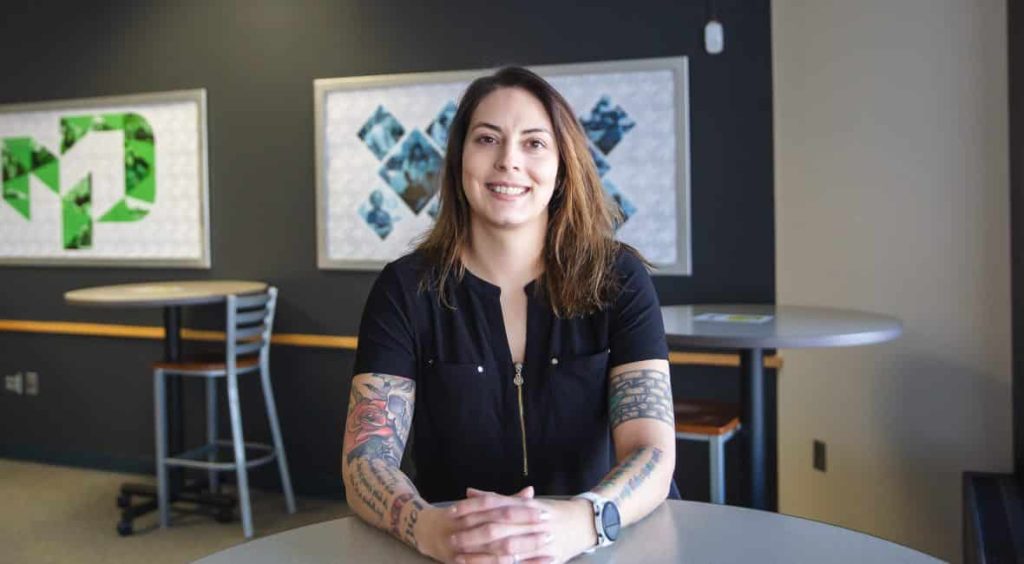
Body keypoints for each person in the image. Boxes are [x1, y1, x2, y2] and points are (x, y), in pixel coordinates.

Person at [342, 66, 676, 564]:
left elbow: (652, 450)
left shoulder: (619, 278)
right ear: (460, 158)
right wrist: (426, 526)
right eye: (487, 139)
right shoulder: (405, 289)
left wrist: (582, 520)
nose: (508, 161)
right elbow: (366, 459)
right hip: (454, 550)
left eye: (534, 143)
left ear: (563, 164)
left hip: (603, 545)